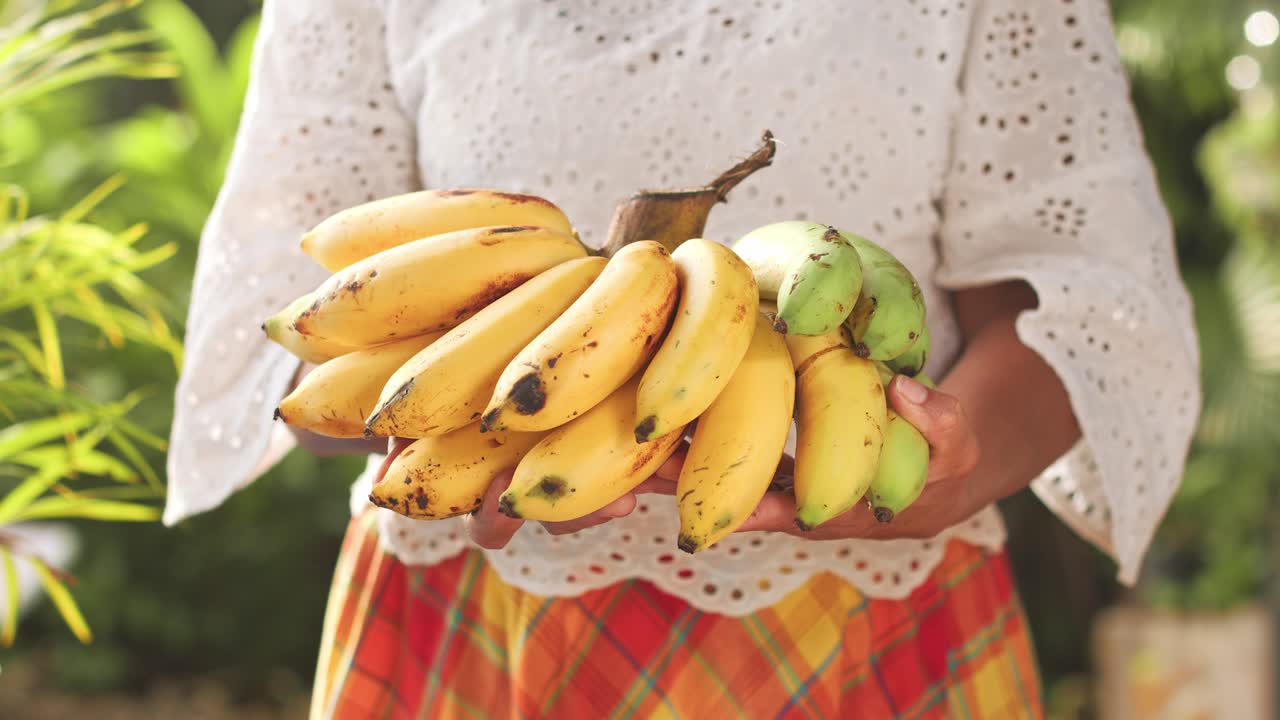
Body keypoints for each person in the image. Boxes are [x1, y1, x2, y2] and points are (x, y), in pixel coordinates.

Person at [166, 0, 1201, 717]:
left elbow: (1074, 301)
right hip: (479, 610)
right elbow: (297, 329)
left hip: (872, 603)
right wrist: (471, 426)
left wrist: (939, 468)